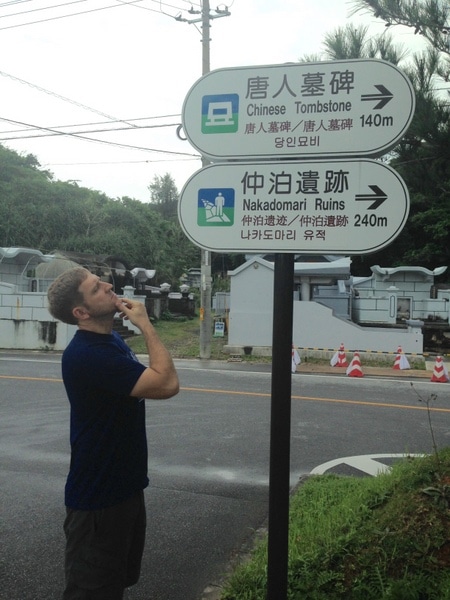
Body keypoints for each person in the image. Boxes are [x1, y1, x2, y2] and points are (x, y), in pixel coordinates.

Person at [47, 267, 179, 600]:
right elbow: (166, 384)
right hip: (98, 503)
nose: (109, 286)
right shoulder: (90, 355)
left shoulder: (110, 340)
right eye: (96, 288)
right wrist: (145, 323)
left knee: (113, 586)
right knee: (91, 592)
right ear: (81, 312)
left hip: (124, 492)